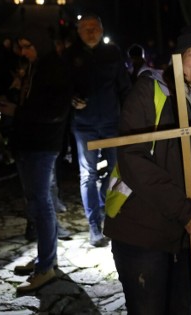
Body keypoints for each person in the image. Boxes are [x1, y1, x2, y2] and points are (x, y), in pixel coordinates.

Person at [105, 18, 191, 314]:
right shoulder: (150, 91)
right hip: (143, 231)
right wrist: (185, 210)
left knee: (183, 308)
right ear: (178, 57)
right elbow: (132, 156)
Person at [0, 25, 72, 293]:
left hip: (42, 143)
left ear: (40, 43)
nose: (24, 51)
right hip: (28, 141)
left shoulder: (53, 67)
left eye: (29, 45)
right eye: (22, 46)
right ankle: (43, 257)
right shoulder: (35, 66)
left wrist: (18, 110)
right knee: (35, 202)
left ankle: (47, 265)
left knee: (42, 203)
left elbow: (53, 110)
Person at [64, 14, 131, 247]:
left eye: (94, 27)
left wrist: (129, 117)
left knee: (115, 170)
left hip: (112, 122)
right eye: (86, 28)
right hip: (84, 124)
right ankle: (94, 225)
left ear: (102, 30)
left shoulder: (113, 53)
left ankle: (107, 206)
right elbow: (63, 85)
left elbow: (124, 86)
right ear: (78, 31)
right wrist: (71, 99)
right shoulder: (70, 55)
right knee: (87, 174)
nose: (91, 31)